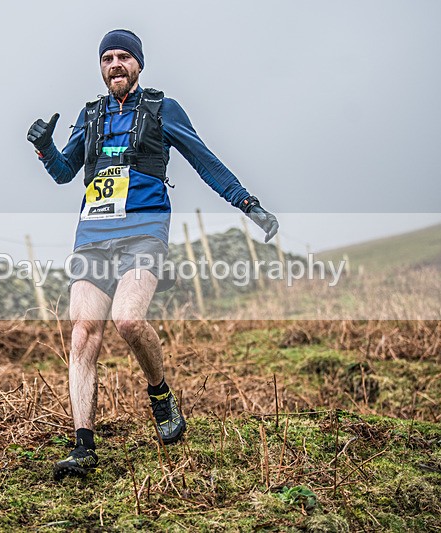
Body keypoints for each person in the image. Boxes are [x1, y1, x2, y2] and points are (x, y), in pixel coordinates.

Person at [27, 29, 279, 481]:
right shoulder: (90, 116)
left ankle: (160, 395)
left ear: (139, 65)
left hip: (144, 232)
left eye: (124, 56)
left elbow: (204, 159)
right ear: (101, 68)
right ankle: (83, 445)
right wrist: (45, 148)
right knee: (83, 332)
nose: (115, 65)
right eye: (107, 58)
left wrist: (246, 203)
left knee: (127, 320)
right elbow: (66, 173)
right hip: (93, 237)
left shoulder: (163, 109)